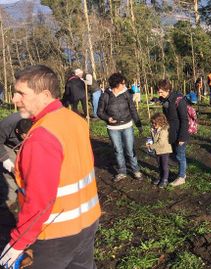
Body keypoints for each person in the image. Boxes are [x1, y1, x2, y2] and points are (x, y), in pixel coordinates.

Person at [0, 65, 101, 269]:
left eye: (21, 93)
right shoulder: (75, 120)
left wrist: (19, 242)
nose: (14, 99)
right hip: (88, 222)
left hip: (54, 235)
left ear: (45, 95)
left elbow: (39, 199)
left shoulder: (41, 137)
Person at [97, 72, 143, 182]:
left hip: (127, 125)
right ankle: (122, 171)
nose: (124, 85)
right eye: (122, 83)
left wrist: (138, 124)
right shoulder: (105, 95)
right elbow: (99, 112)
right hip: (113, 129)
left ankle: (136, 170)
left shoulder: (126, 93)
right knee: (118, 150)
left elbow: (132, 109)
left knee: (130, 149)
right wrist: (108, 118)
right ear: (116, 84)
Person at [157, 79, 190, 187]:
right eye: (159, 91)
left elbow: (184, 120)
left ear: (168, 90)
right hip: (171, 132)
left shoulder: (179, 100)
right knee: (176, 154)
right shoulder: (165, 100)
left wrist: (182, 137)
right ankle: (181, 172)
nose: (159, 94)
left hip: (180, 133)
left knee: (180, 155)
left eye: (161, 91)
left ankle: (181, 177)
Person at [0, 111, 32, 209]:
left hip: (28, 144)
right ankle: (11, 201)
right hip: (8, 145)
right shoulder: (5, 125)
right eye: (24, 135)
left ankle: (30, 194)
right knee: (11, 171)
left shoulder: (35, 120)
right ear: (18, 131)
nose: (26, 137)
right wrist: (5, 159)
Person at [147, 113, 173, 188]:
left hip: (164, 150)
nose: (153, 124)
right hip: (157, 150)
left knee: (164, 165)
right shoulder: (153, 129)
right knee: (159, 165)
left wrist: (151, 146)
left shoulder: (163, 130)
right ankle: (161, 176)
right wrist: (149, 142)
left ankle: (165, 179)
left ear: (161, 122)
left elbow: (161, 143)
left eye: (155, 123)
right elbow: (152, 138)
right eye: (152, 123)